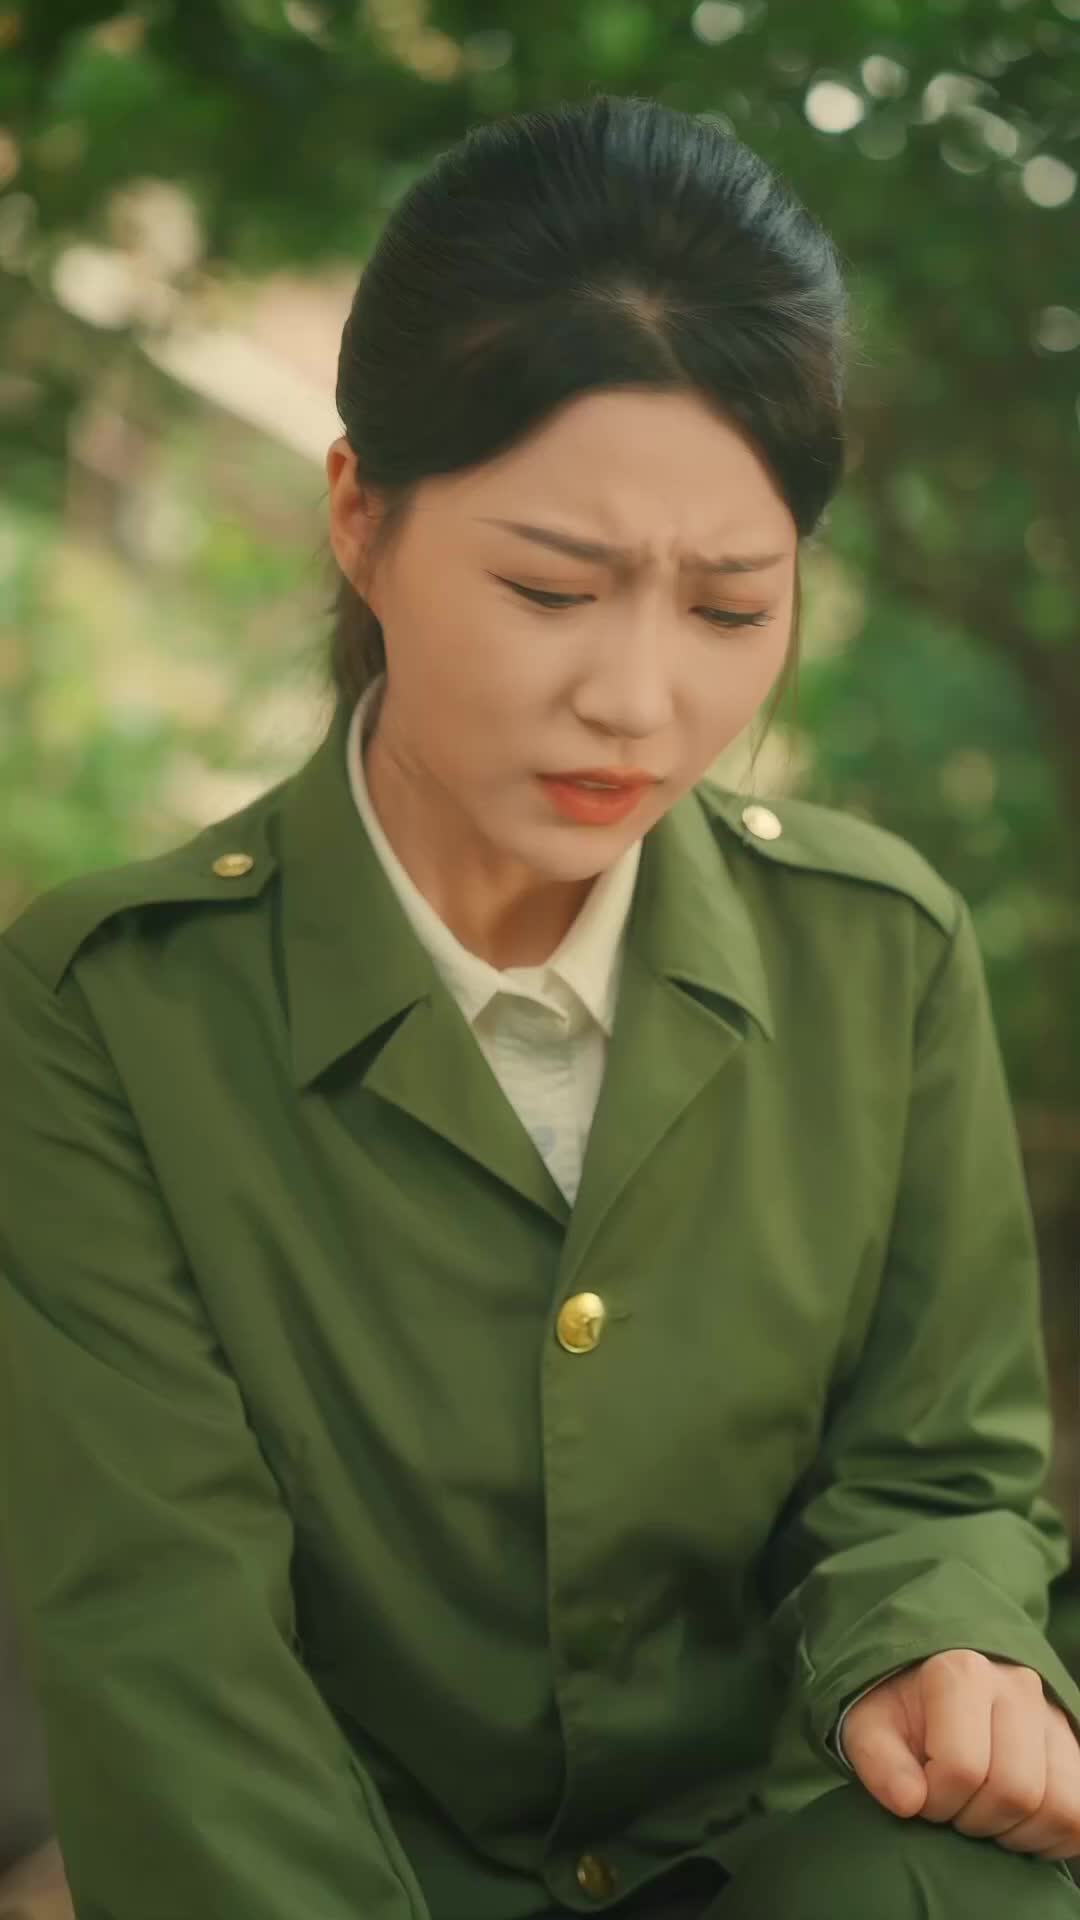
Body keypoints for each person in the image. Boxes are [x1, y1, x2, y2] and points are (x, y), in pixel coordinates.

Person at [0, 90, 1078, 1920]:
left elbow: (933, 1470)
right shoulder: (108, 1013)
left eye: (729, 610)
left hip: (783, 1845)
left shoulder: (879, 956)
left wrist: (944, 1644)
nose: (638, 701)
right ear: (361, 516)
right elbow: (172, 1645)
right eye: (550, 588)